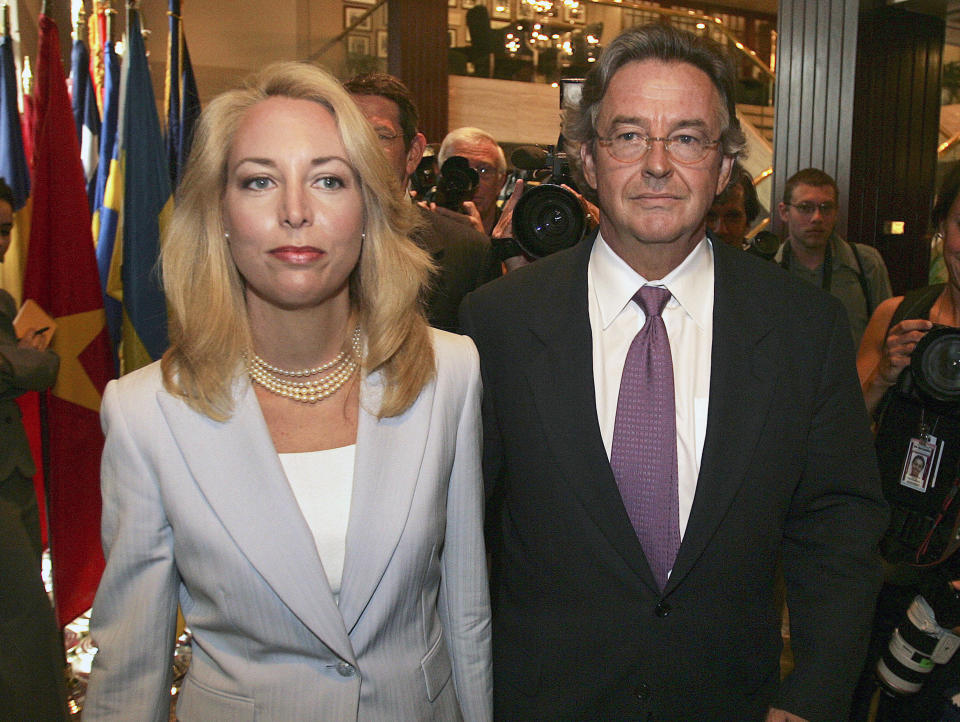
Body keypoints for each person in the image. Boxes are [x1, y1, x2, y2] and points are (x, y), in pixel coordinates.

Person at [460, 24, 887, 721]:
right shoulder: (495, 324)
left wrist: (811, 697)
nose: (657, 164)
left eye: (688, 137)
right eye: (628, 135)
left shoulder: (803, 330)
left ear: (724, 170)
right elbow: (462, 537)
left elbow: (837, 525)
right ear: (589, 161)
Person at [83, 62, 492, 720]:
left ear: (368, 208)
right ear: (218, 212)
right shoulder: (144, 417)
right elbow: (129, 668)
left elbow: (465, 614)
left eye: (328, 180)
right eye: (259, 181)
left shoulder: (451, 376)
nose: (295, 211)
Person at [851, 165, 960, 721]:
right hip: (880, 554)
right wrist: (886, 374)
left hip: (952, 576)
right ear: (942, 227)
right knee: (847, 696)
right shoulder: (898, 317)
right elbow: (840, 436)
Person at [344, 72, 499, 333]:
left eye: (380, 136)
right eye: (348, 134)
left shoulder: (469, 254)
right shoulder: (301, 241)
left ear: (413, 153)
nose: (363, 149)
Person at [0, 177, 58, 562]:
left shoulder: (3, 302)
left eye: (5, 230)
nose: (1, 242)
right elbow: (32, 368)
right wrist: (30, 360)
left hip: (14, 471)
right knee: (26, 617)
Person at [776, 168, 892, 348]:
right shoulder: (768, 266)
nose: (817, 218)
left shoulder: (865, 263)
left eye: (826, 208)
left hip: (854, 375)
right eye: (805, 208)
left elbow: (884, 338)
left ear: (836, 212)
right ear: (784, 212)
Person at [433, 126, 507, 235]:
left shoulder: (515, 236)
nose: (471, 181)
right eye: (459, 170)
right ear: (440, 175)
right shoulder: (422, 227)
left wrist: (479, 243)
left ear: (500, 182)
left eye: (484, 170)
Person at [706, 162, 760, 248]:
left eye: (732, 217)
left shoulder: (759, 261)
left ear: (747, 224)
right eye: (710, 217)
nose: (720, 230)